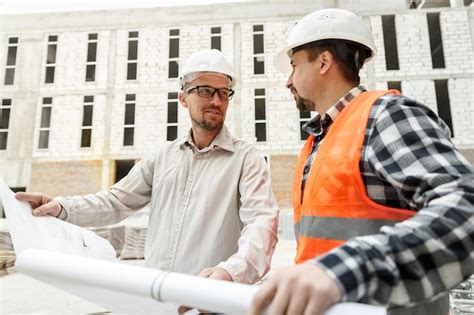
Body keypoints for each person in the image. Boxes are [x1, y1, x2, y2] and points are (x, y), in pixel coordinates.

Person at [250, 8, 474, 315]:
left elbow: (466, 206)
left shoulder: (387, 115)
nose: (288, 81)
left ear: (324, 62)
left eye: (293, 66)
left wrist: (345, 270)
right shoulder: (320, 139)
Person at [16, 49, 279, 286]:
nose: (216, 101)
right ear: (183, 98)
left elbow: (262, 223)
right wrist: (62, 207)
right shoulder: (162, 157)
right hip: (157, 298)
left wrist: (231, 272)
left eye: (224, 93)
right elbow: (115, 202)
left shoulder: (246, 159)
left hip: (211, 300)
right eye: (205, 90)